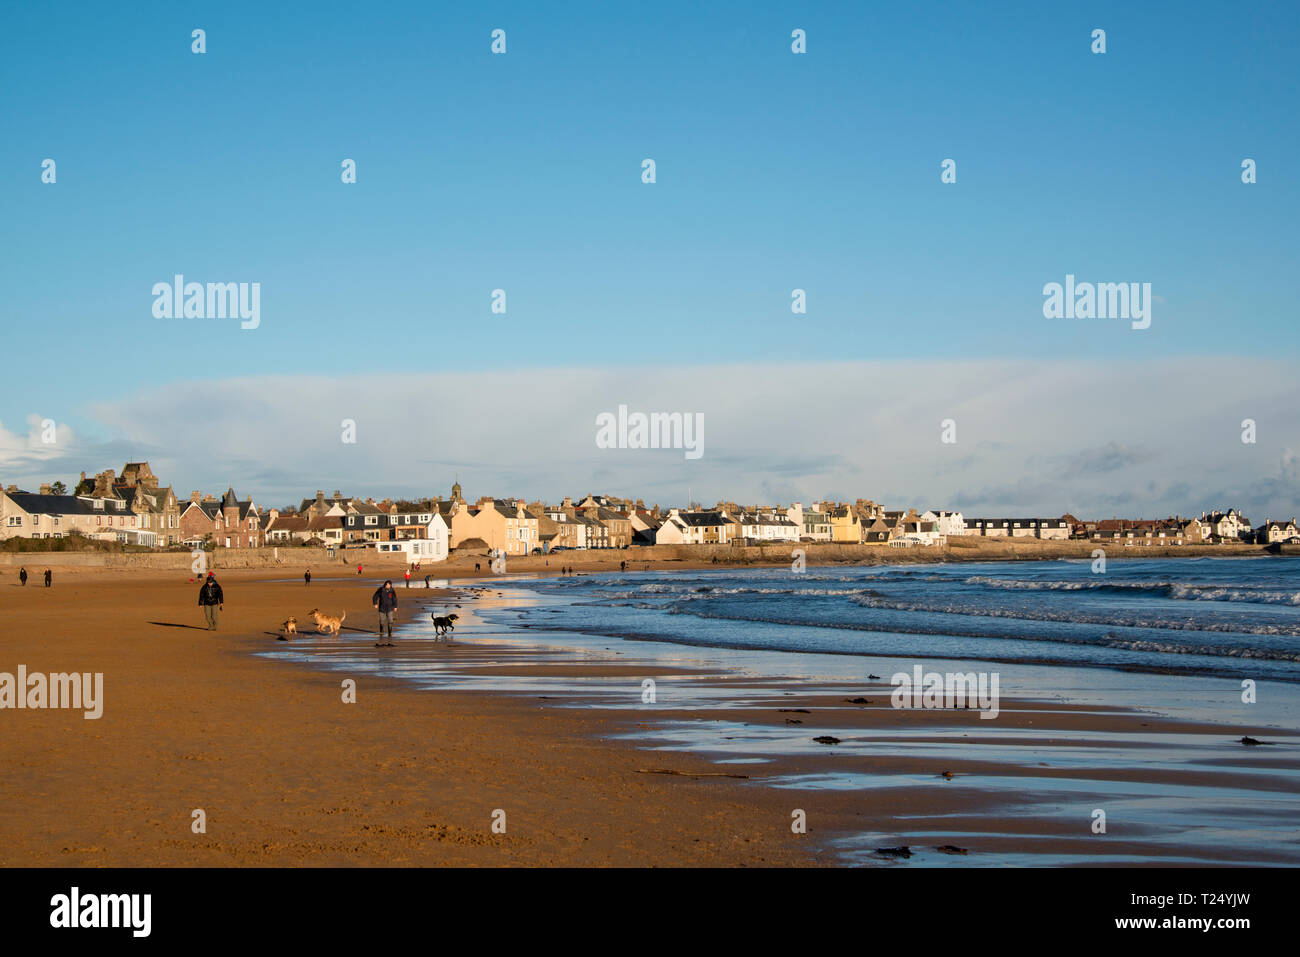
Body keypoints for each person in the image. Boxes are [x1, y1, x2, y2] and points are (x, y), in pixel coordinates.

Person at [372, 579, 398, 645]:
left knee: (390, 621)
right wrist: (375, 603)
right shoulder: (381, 590)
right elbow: (375, 596)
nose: (389, 586)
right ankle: (381, 630)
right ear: (385, 584)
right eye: (388, 584)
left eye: (390, 585)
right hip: (382, 608)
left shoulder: (392, 591)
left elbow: (394, 599)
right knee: (382, 621)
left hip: (390, 608)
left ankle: (390, 632)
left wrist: (395, 606)